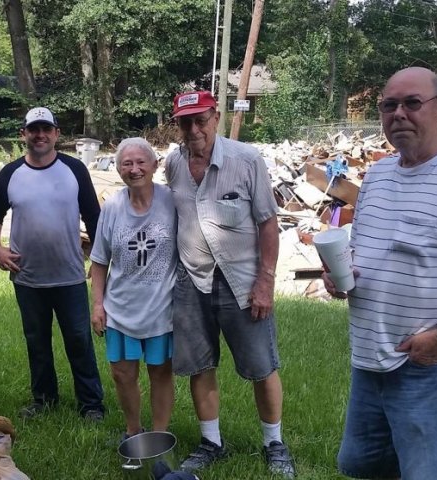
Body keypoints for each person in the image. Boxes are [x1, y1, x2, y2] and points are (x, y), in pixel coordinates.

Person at [323, 67, 437, 480]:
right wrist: (340, 276)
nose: (399, 113)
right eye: (389, 105)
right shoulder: (379, 175)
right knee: (364, 463)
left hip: (430, 364)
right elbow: (365, 252)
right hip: (371, 357)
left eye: (412, 103)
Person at [164, 91, 295, 478]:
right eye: (185, 122)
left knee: (261, 367)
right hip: (192, 279)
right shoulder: (174, 163)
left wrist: (265, 282)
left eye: (200, 119)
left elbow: (268, 222)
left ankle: (274, 442)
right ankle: (211, 442)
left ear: (215, 117)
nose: (193, 129)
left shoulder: (246, 160)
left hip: (241, 279)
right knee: (199, 365)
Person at [0, 107, 104, 420]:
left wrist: (102, 260)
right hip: (27, 278)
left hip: (69, 276)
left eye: (46, 129)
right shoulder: (11, 173)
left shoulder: (74, 169)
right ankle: (44, 399)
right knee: (37, 342)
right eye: (33, 129)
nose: (40, 135)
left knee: (78, 340)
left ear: (56, 134)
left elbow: (94, 217)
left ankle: (91, 404)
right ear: (24, 133)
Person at [90, 137, 177, 441]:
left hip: (162, 308)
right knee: (122, 374)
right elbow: (99, 262)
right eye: (127, 163)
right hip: (121, 308)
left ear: (155, 165)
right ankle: (133, 430)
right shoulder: (112, 207)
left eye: (141, 162)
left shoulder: (172, 200)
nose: (135, 169)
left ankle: (159, 434)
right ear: (118, 169)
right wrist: (97, 305)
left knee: (160, 373)